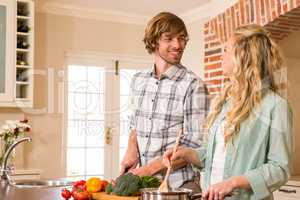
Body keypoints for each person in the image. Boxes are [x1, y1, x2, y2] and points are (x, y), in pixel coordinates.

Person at [163, 24, 293, 200]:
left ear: (244, 56)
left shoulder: (275, 105)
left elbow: (280, 168)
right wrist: (187, 154)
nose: (221, 56)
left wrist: (233, 183)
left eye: (226, 50)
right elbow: (214, 158)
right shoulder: (225, 103)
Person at [119, 12, 209, 190]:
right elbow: (136, 122)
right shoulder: (139, 80)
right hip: (146, 186)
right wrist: (131, 149)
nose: (178, 45)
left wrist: (147, 170)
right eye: (169, 38)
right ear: (154, 42)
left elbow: (196, 145)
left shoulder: (193, 85)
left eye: (182, 38)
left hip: (180, 186)